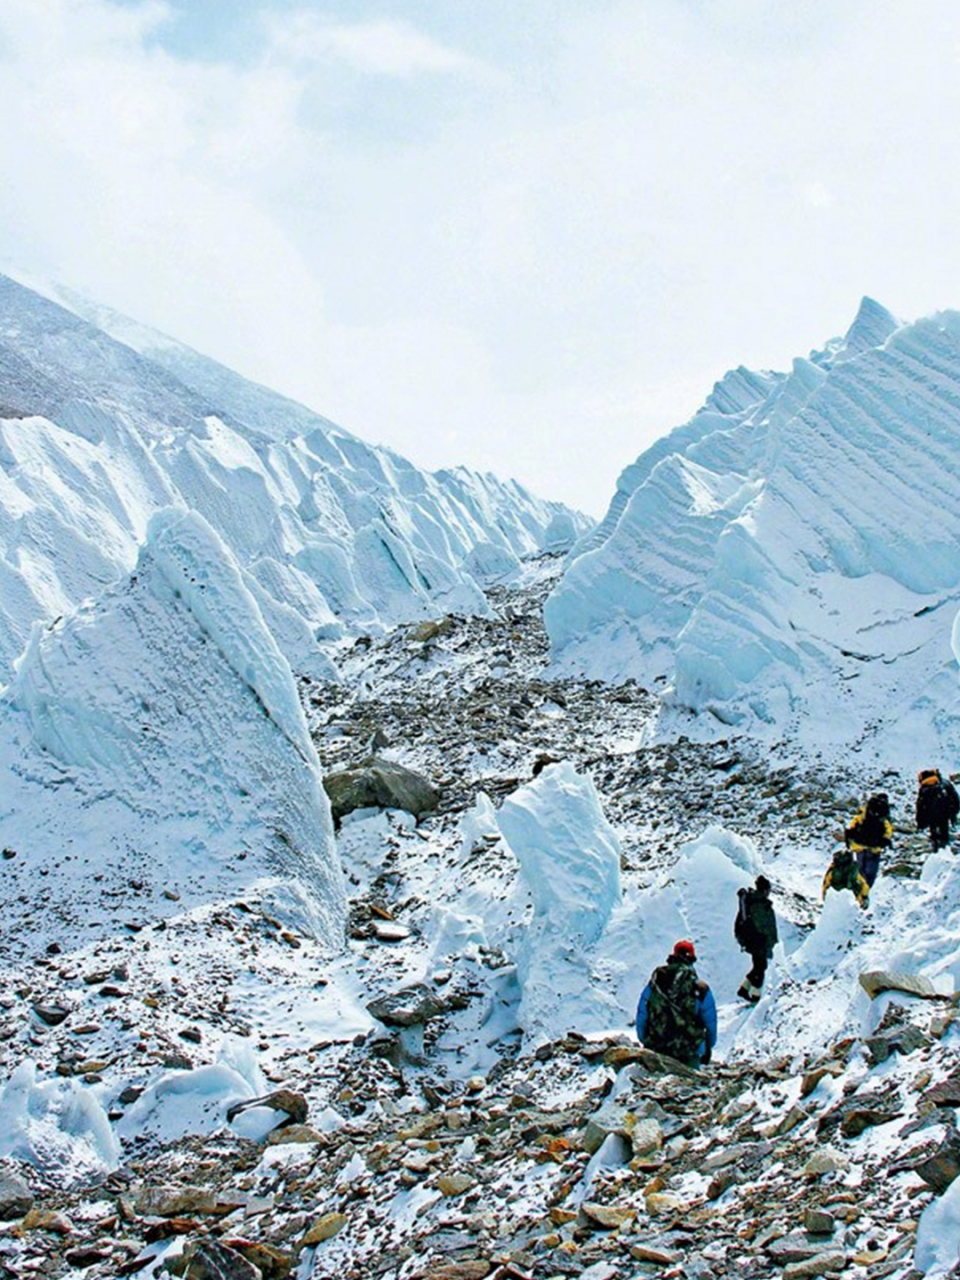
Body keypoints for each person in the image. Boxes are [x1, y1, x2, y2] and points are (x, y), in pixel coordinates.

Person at [635, 940, 717, 1067]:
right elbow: (711, 1024)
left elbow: (642, 1014)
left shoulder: (656, 983)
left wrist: (645, 1039)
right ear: (692, 959)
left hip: (656, 1048)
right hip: (688, 1051)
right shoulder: (700, 988)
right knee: (690, 1084)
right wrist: (706, 1047)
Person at [735, 876, 778, 1002]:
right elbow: (762, 925)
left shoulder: (754, 901)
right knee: (760, 966)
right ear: (765, 890)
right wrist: (769, 939)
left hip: (753, 940)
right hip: (758, 940)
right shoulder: (759, 904)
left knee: (758, 966)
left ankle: (744, 989)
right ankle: (755, 996)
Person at [844, 793, 892, 888]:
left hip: (859, 846)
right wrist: (884, 842)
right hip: (874, 848)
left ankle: (858, 893)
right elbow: (888, 830)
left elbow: (853, 825)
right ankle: (865, 892)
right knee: (870, 874)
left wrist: (850, 841)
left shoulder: (863, 813)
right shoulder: (883, 814)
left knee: (860, 871)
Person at [916, 768, 960, 852]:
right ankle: (945, 851)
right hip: (945, 815)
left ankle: (937, 852)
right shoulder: (945, 784)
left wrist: (920, 822)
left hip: (932, 817)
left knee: (935, 836)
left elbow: (920, 806)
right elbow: (955, 799)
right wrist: (954, 813)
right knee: (944, 833)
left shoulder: (925, 788)